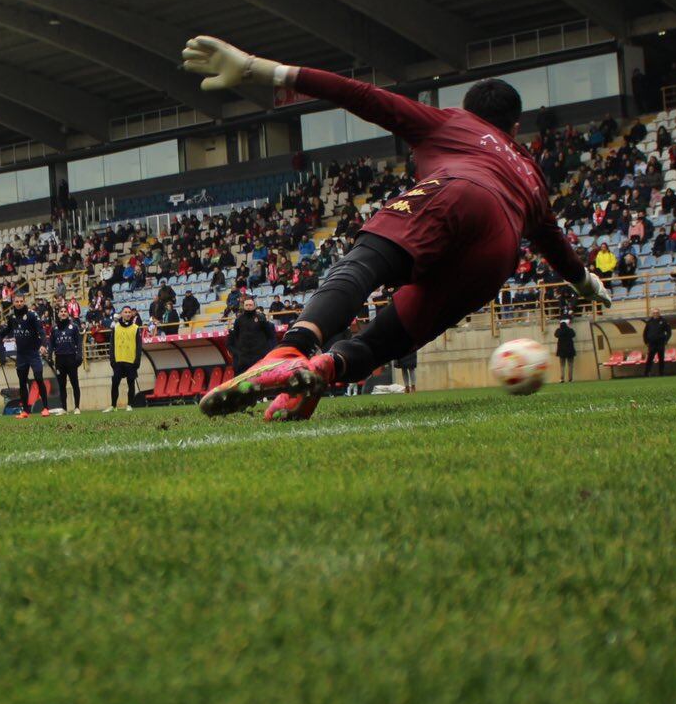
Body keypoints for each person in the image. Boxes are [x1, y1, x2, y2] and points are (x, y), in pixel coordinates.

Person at [182, 37, 605, 422]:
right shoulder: (532, 174)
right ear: (516, 128)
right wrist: (588, 285)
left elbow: (361, 95)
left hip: (458, 194)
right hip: (497, 253)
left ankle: (291, 349)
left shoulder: (453, 123)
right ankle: (322, 370)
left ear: (469, 110)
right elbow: (554, 244)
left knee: (365, 264)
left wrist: (259, 68)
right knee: (393, 336)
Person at [5, 299, 48, 416]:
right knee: (22, 382)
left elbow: (41, 331)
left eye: (21, 301)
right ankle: (25, 411)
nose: (19, 303)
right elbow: (7, 330)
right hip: (21, 355)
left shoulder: (32, 314)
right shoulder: (12, 317)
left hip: (33, 353)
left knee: (38, 378)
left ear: (24, 302)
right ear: (14, 303)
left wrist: (44, 345)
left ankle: (45, 408)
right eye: (17, 301)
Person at [227, 293, 277, 373]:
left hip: (259, 356)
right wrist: (238, 353)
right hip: (244, 357)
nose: (248, 307)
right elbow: (235, 336)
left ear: (254, 306)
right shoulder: (239, 320)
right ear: (244, 306)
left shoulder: (261, 318)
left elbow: (270, 334)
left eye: (250, 305)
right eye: (246, 305)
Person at [106, 306, 143, 411]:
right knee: (115, 383)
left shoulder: (135, 328)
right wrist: (112, 360)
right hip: (118, 361)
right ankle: (113, 406)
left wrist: (137, 361)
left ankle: (129, 405)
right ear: (121, 314)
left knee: (131, 383)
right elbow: (112, 345)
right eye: (125, 312)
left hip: (131, 361)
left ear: (131, 314)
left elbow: (139, 346)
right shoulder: (116, 327)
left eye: (129, 312)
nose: (127, 314)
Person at [48, 307, 84, 413]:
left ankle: (77, 407)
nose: (63, 313)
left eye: (65, 312)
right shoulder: (54, 329)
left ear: (68, 314)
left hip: (71, 359)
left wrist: (79, 356)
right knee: (62, 385)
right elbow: (51, 344)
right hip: (60, 360)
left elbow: (79, 342)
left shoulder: (74, 327)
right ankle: (64, 408)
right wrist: (50, 356)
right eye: (61, 312)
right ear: (58, 314)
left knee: (74, 383)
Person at [641, 311, 671, 376]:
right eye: (654, 313)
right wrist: (646, 342)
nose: (655, 314)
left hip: (660, 343)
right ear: (652, 314)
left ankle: (661, 373)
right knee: (649, 359)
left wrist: (665, 340)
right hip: (652, 344)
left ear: (659, 313)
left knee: (661, 359)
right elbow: (645, 333)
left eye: (657, 313)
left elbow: (669, 332)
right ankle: (647, 373)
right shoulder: (649, 322)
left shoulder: (663, 321)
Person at [553, 318, 577, 383]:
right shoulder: (570, 330)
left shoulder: (559, 330)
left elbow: (555, 335)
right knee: (570, 365)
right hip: (570, 350)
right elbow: (573, 335)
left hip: (561, 351)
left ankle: (562, 378)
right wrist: (569, 327)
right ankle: (570, 379)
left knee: (562, 365)